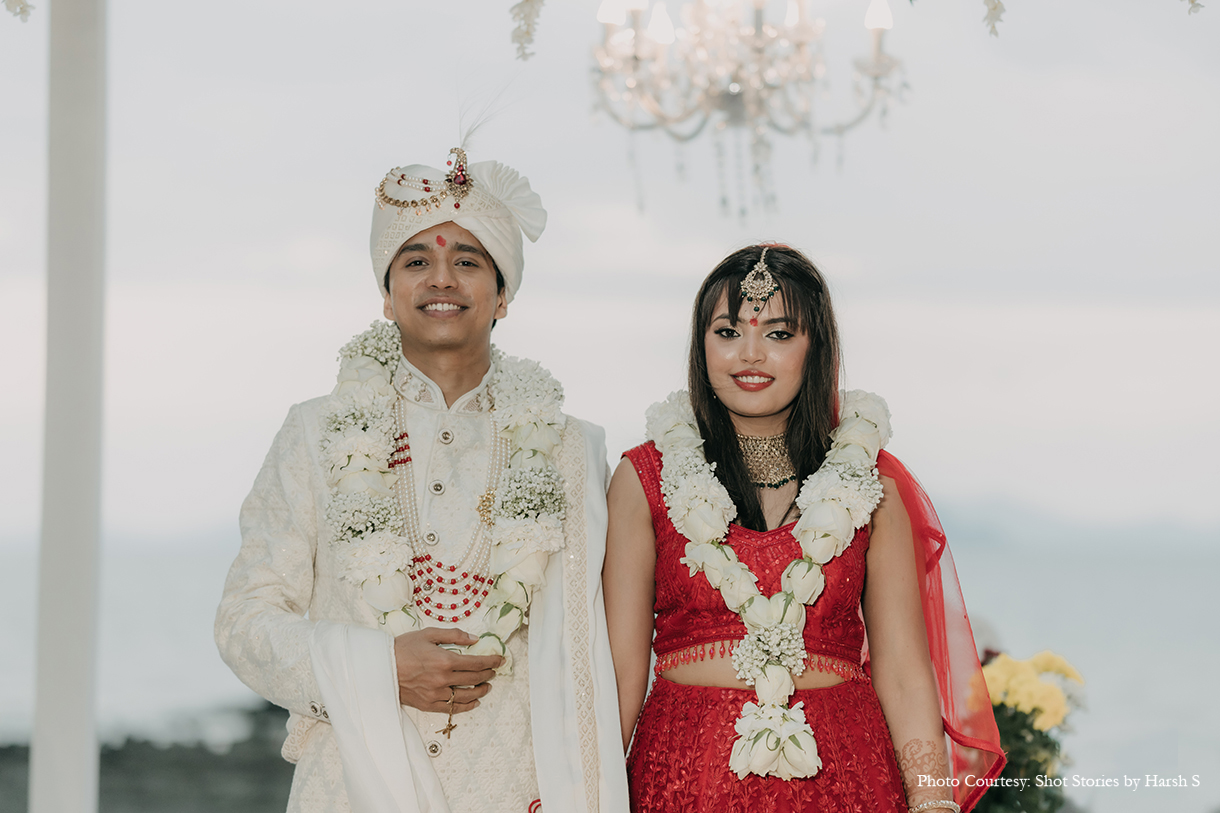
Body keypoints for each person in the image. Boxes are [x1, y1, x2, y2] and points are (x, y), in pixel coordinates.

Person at [215, 147, 629, 813]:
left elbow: (585, 653)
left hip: (516, 793)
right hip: (347, 786)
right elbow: (244, 619)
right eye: (417, 261)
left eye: (467, 261)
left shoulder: (568, 447)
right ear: (385, 294)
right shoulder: (314, 433)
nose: (442, 279)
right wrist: (375, 670)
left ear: (503, 295)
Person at [603, 244, 1005, 812]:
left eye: (778, 333)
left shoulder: (870, 484)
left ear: (816, 347)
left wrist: (934, 804)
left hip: (846, 775)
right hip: (685, 777)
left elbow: (905, 673)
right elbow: (621, 672)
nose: (749, 354)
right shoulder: (645, 478)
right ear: (701, 347)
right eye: (727, 332)